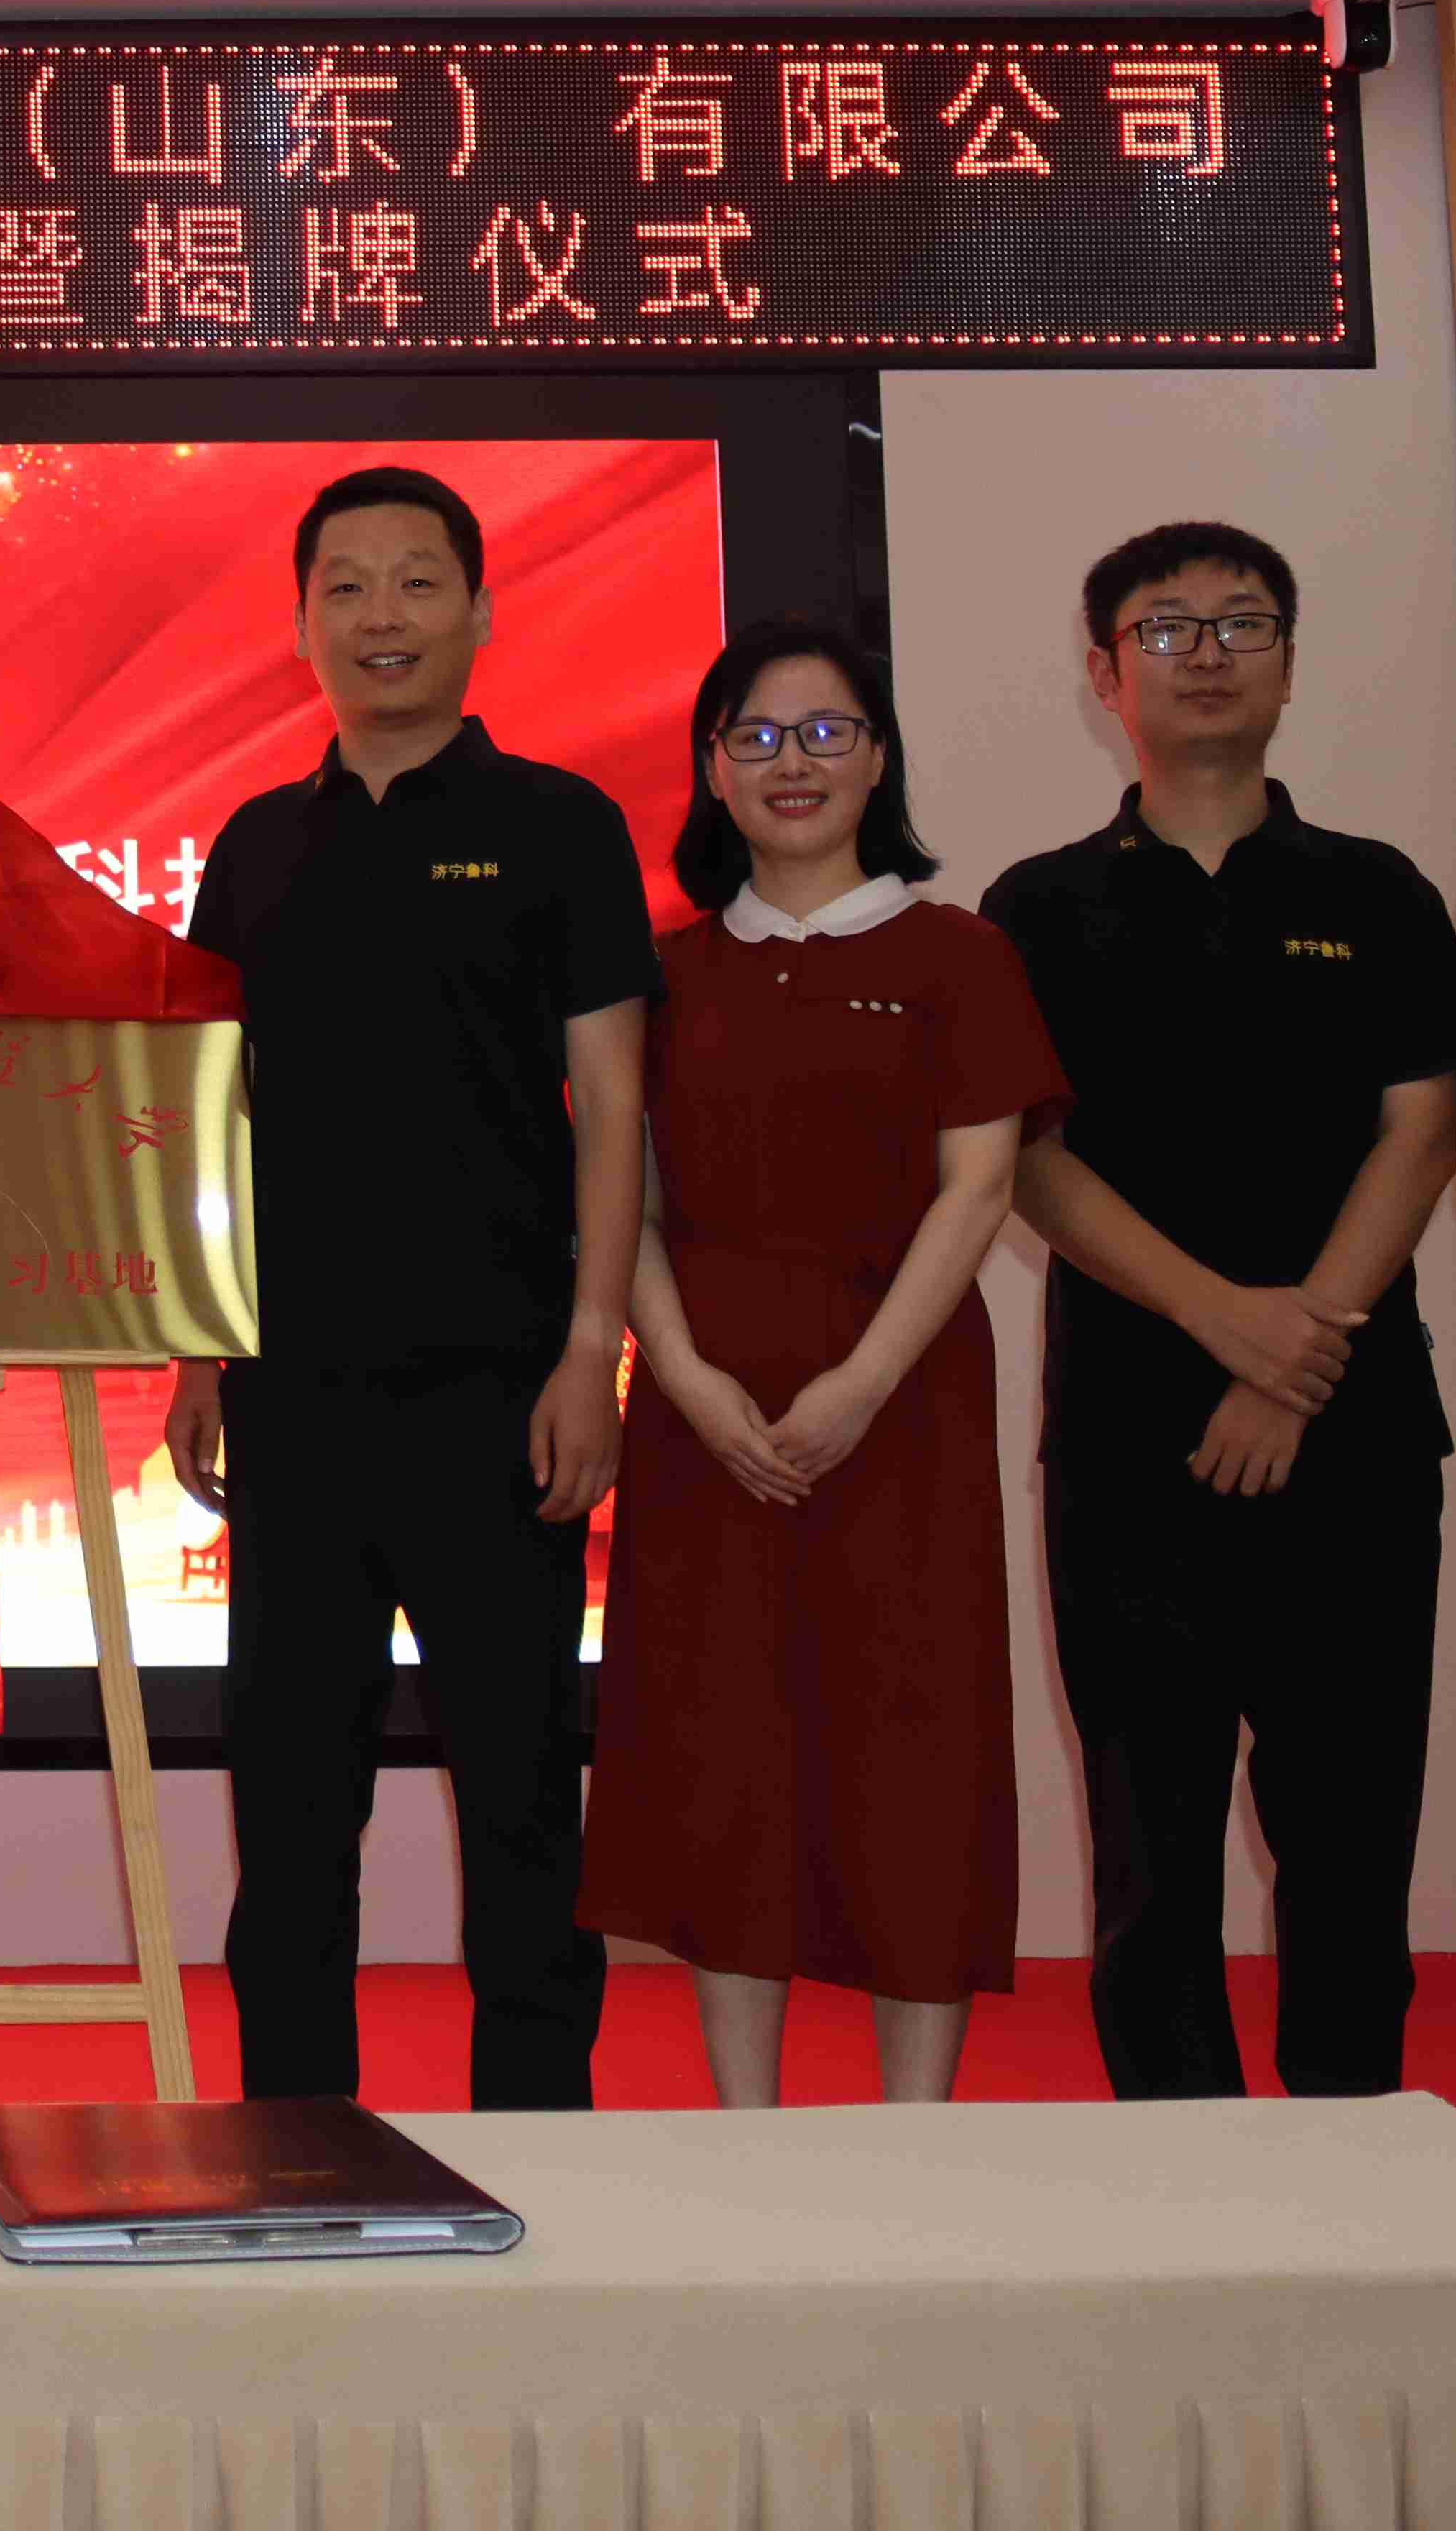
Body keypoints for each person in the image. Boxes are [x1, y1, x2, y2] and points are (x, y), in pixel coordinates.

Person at [171, 464, 650, 2109]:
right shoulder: (256, 845)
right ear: (303, 623)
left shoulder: (561, 827)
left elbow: (615, 1109)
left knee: (521, 1806)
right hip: (290, 1396)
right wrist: (195, 1346)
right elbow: (213, 1114)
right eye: (348, 586)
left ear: (480, 612)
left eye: (418, 581)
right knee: (293, 1815)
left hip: (499, 1395)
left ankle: (546, 2152)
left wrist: (592, 1351)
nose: (383, 615)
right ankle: (295, 2149)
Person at [984, 523, 1456, 2104]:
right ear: (1104, 671)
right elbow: (1030, 1163)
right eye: (1166, 627)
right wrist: (1223, 1323)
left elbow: (1423, 1131)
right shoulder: (1038, 906)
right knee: (1152, 1865)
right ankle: (1183, 2190)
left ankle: (1356, 2177)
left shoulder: (1377, 890)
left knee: (1351, 1853)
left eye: (1241, 623)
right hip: (1130, 1446)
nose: (1205, 653)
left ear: (1289, 661)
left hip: (1355, 1440)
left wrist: (1297, 1350)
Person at [586, 616, 1059, 2105]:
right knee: (723, 1751)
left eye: (827, 732)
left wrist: (860, 1384)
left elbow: (978, 1187)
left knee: (915, 1748)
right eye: (758, 737)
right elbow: (623, 1201)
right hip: (706, 1412)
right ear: (713, 770)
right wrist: (681, 1373)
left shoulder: (958, 953)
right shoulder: (661, 974)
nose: (793, 764)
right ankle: (748, 2120)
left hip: (903, 1406)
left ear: (877, 759)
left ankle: (918, 2128)